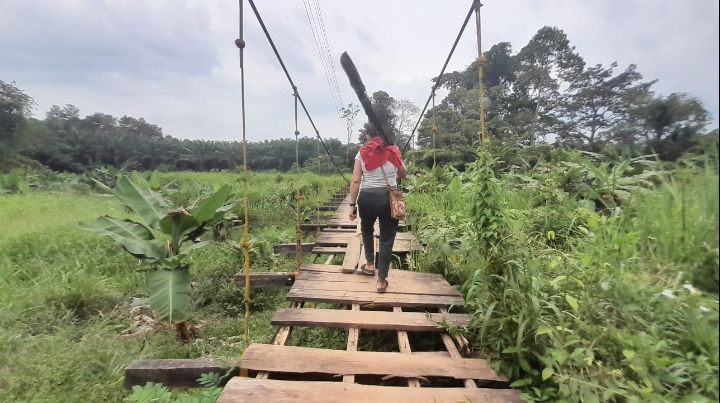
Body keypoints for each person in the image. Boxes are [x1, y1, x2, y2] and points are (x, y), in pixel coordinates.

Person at [348, 126, 406, 292]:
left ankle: (370, 264)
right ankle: (381, 281)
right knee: (386, 239)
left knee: (366, 230)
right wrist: (398, 159)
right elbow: (403, 174)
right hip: (388, 199)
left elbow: (356, 181)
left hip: (367, 198)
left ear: (368, 135)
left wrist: (352, 205)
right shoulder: (393, 150)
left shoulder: (362, 153)